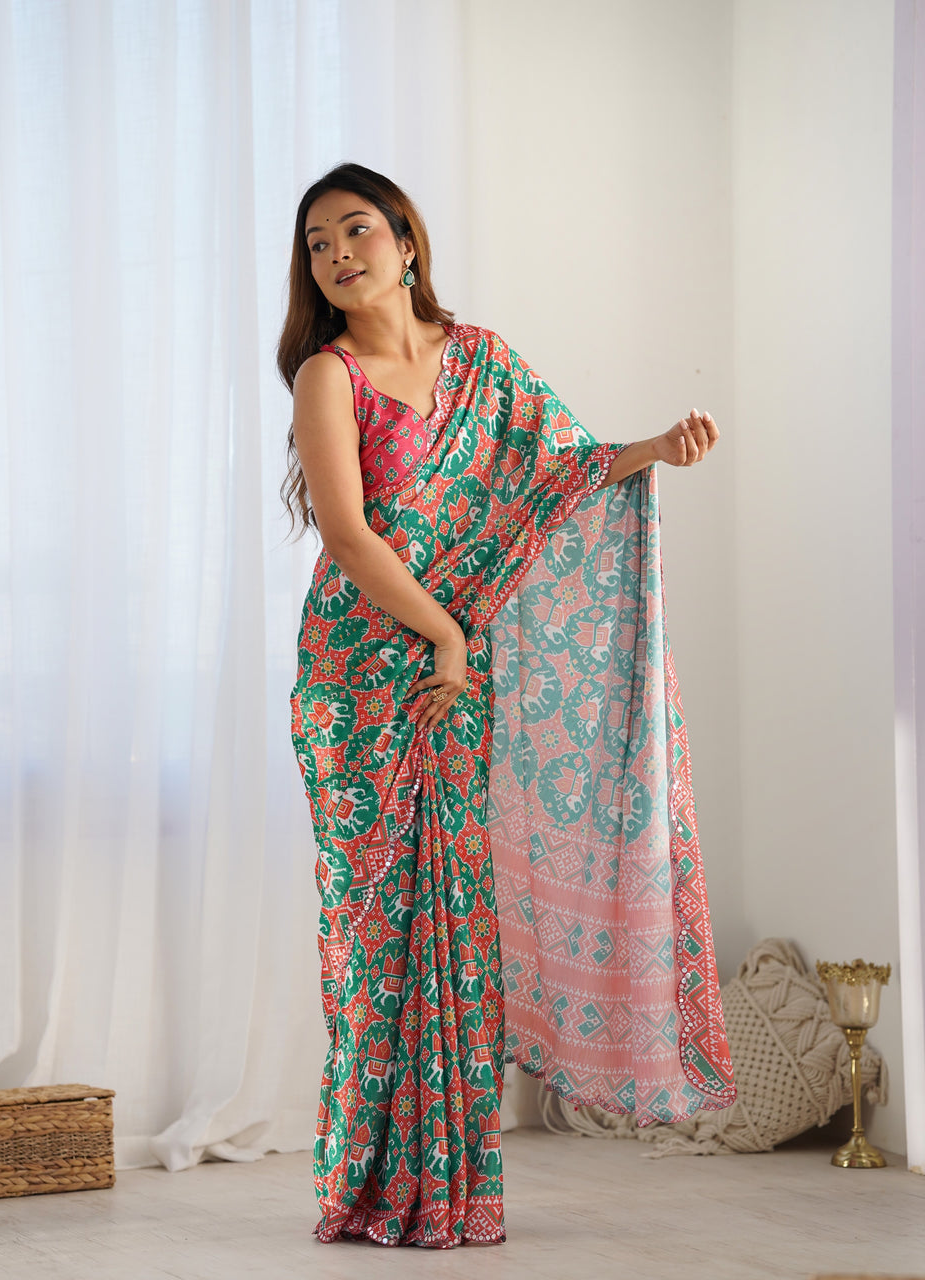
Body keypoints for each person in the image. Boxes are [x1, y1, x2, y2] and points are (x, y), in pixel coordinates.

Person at [279, 162, 736, 1250]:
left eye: (354, 231)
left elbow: (557, 471)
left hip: (453, 680)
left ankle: (451, 1188)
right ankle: (367, 1186)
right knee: (376, 936)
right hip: (363, 678)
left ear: (405, 241)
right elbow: (346, 535)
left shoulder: (481, 361)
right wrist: (443, 632)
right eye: (316, 245)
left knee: (458, 928)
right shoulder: (326, 376)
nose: (337, 255)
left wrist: (655, 450)